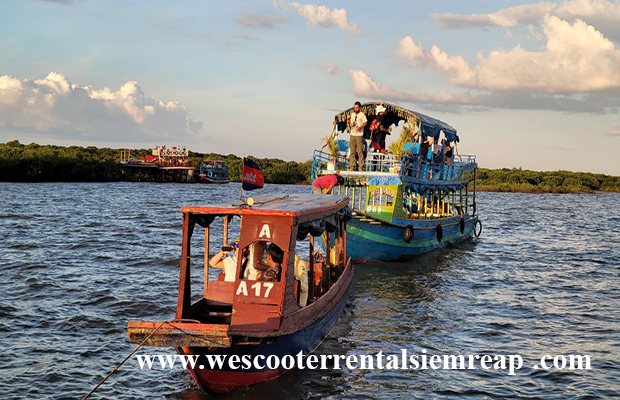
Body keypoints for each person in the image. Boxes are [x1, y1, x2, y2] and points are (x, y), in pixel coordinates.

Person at [347, 101, 367, 171]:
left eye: (357, 108)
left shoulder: (362, 115)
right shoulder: (352, 115)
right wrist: (350, 125)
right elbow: (350, 122)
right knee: (352, 151)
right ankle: (351, 166)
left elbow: (365, 122)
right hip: (352, 133)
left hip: (359, 134)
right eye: (355, 108)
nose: (355, 109)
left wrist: (360, 127)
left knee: (360, 151)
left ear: (360, 108)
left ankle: (360, 166)